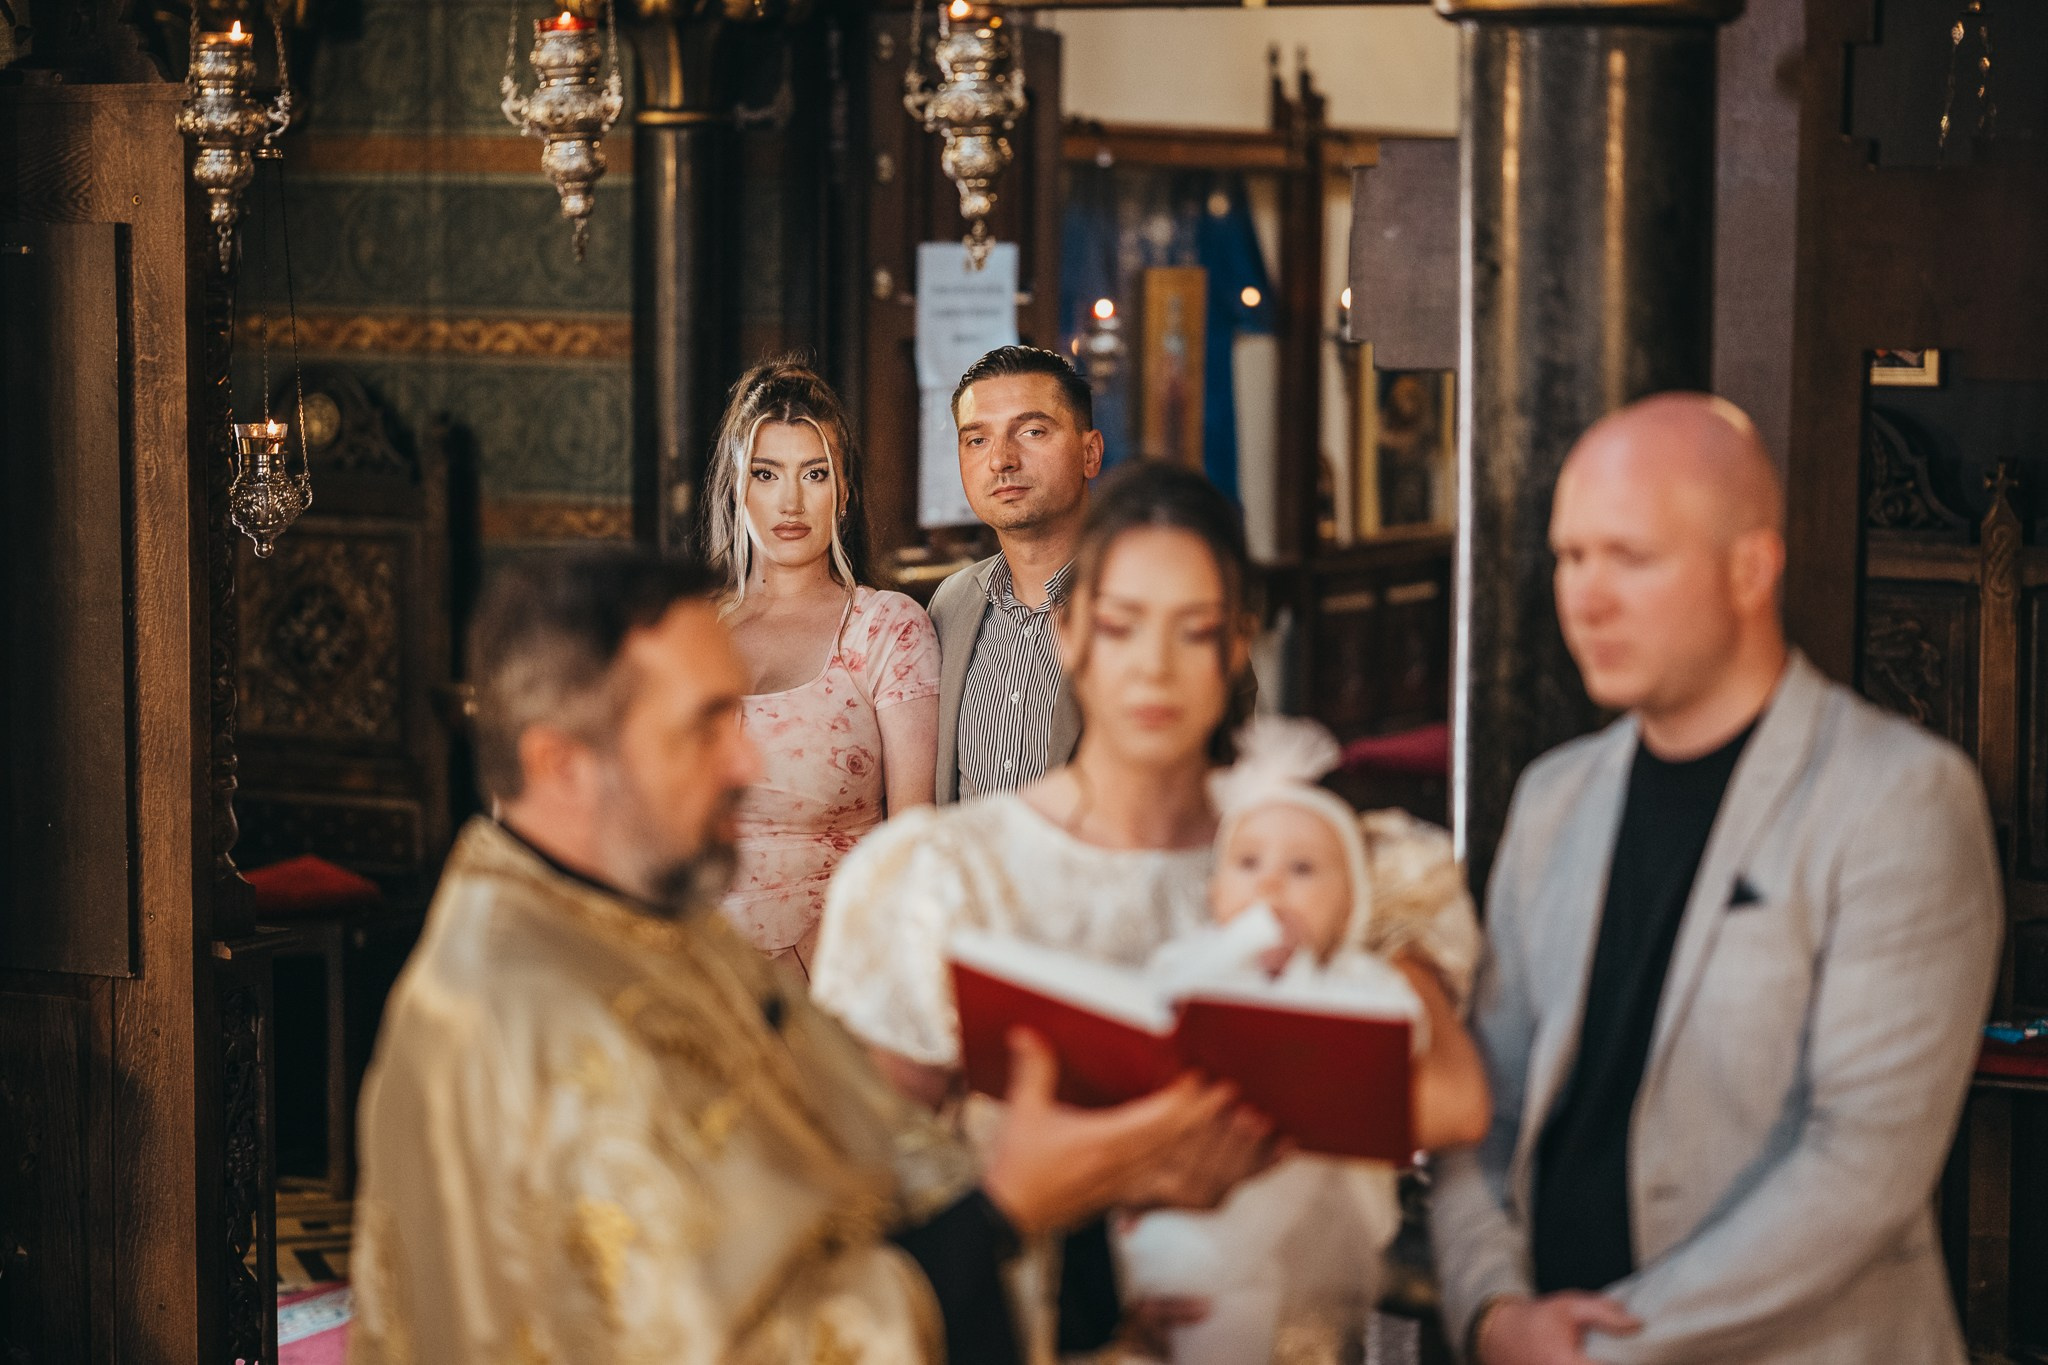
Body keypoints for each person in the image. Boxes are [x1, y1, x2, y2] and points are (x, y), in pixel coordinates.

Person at [347, 549, 1276, 1365]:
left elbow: (863, 1148)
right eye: (707, 724)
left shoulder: (657, 921)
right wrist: (1007, 1211)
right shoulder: (533, 1016)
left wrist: (1092, 1185)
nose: (749, 762)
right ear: (562, 765)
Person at [1430, 393, 2003, 1365]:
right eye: (1570, 556)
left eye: (1630, 557)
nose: (1585, 596)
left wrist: (1595, 1351)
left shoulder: (1898, 798)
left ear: (1750, 567)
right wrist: (1489, 1309)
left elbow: (1860, 1165)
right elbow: (1488, 1106)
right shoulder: (1551, 798)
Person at [812, 462, 1265, 1356]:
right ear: (1068, 632)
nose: (1153, 669)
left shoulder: (1297, 865)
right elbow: (864, 1179)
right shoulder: (943, 875)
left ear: (1239, 642)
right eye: (1121, 625)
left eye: (1196, 629)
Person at [1118, 715, 1491, 1364]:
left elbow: (1405, 1032)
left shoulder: (1355, 978)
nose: (1271, 883)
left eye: (1304, 868)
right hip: (1183, 1234)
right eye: (1249, 863)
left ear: (1352, 907)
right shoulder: (1195, 958)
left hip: (1305, 1245)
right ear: (1214, 893)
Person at [702, 359, 939, 974]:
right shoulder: (691, 633)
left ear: (845, 492)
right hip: (695, 966)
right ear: (736, 486)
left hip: (835, 972)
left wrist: (797, 971)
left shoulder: (887, 627)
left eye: (814, 474)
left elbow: (910, 843)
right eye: (766, 473)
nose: (790, 501)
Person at [928, 345, 1102, 804]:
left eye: (1031, 431)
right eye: (977, 440)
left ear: (1090, 453)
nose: (1001, 459)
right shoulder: (950, 605)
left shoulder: (1147, 600)